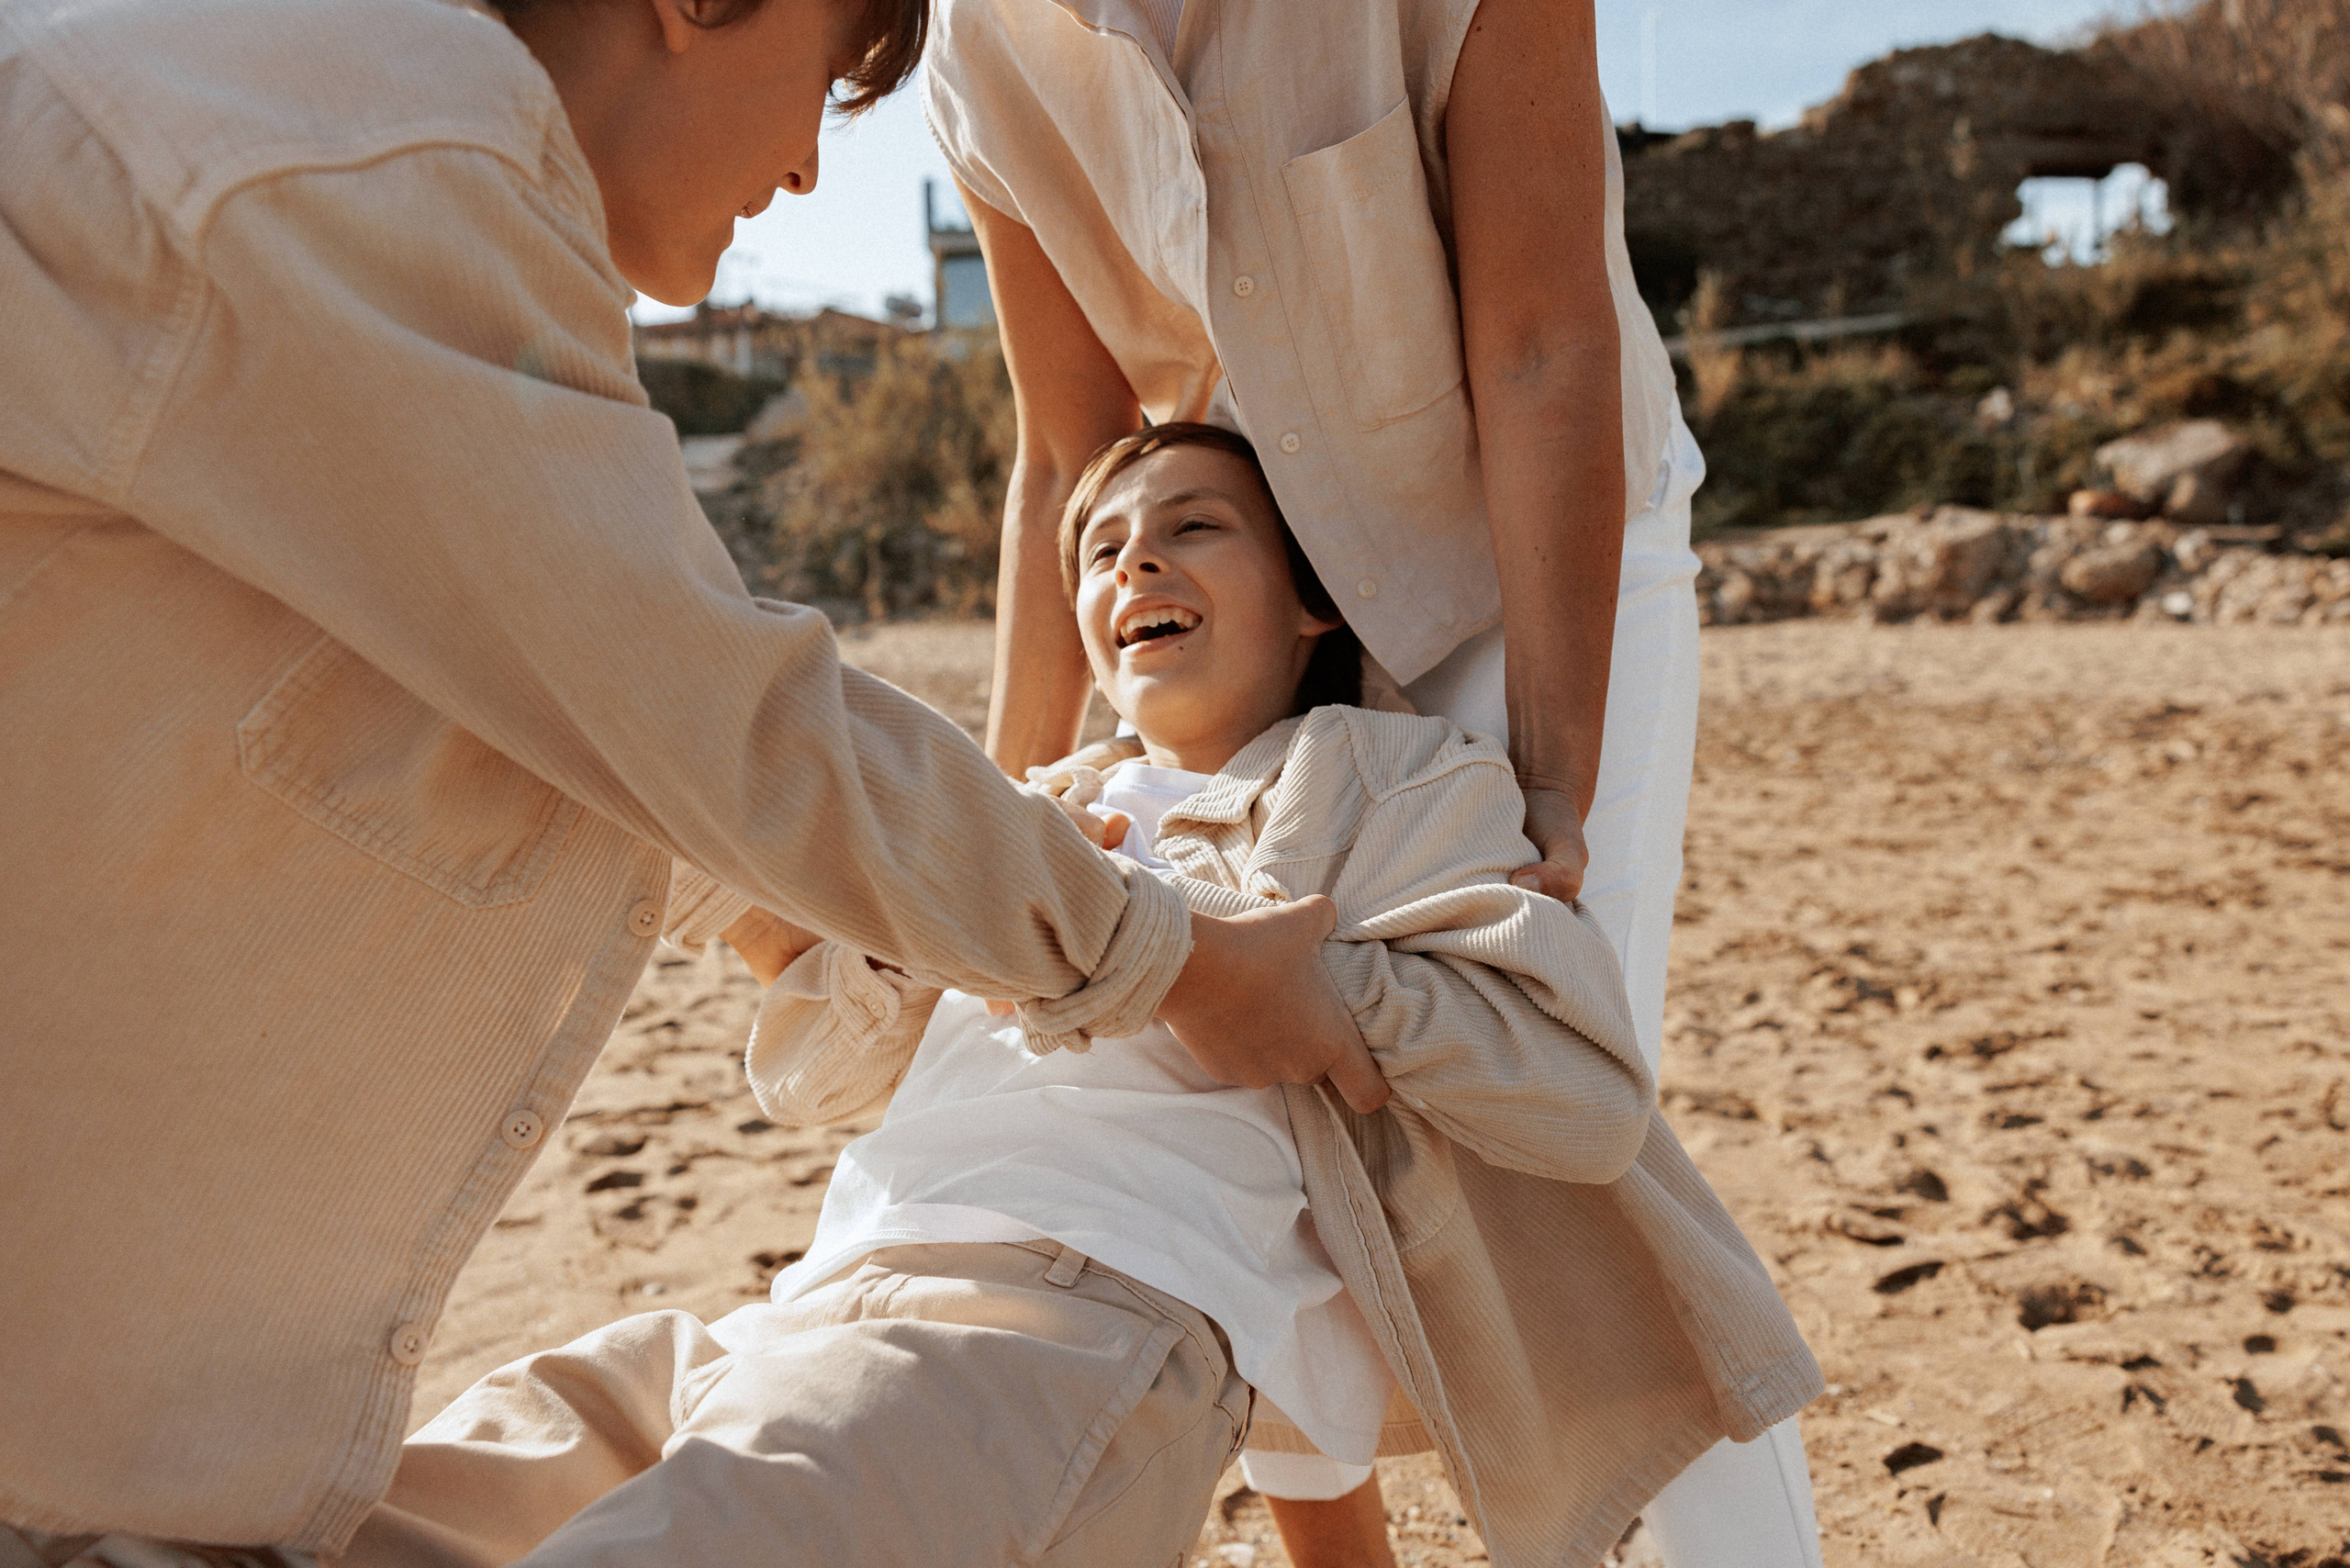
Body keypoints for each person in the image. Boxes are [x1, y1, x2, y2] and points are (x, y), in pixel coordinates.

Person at [0, 1, 1382, 1562]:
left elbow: (549, 694)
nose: (804, 174)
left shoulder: (313, 132)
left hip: (110, 1455)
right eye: (822, 84)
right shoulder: (357, 152)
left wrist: (793, 910)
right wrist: (1167, 957)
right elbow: (695, 701)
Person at [353, 424, 1818, 1568]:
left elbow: (1578, 1091)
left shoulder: (1385, 779)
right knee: (352, 1515)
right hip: (801, 1306)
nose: (1136, 566)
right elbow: (829, 1074)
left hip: (1064, 1325)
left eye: (1193, 528)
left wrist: (1284, 985)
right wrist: (817, 916)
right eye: (1102, 551)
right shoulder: (1032, 807)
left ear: (1314, 601)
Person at [925, 0, 1824, 1560]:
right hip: (1256, 592)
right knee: (1246, 1094)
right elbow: (1068, 447)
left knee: (1564, 1152)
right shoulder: (979, 42)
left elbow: (1540, 346)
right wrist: (997, 829)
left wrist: (1553, 780)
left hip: (1532, 555)